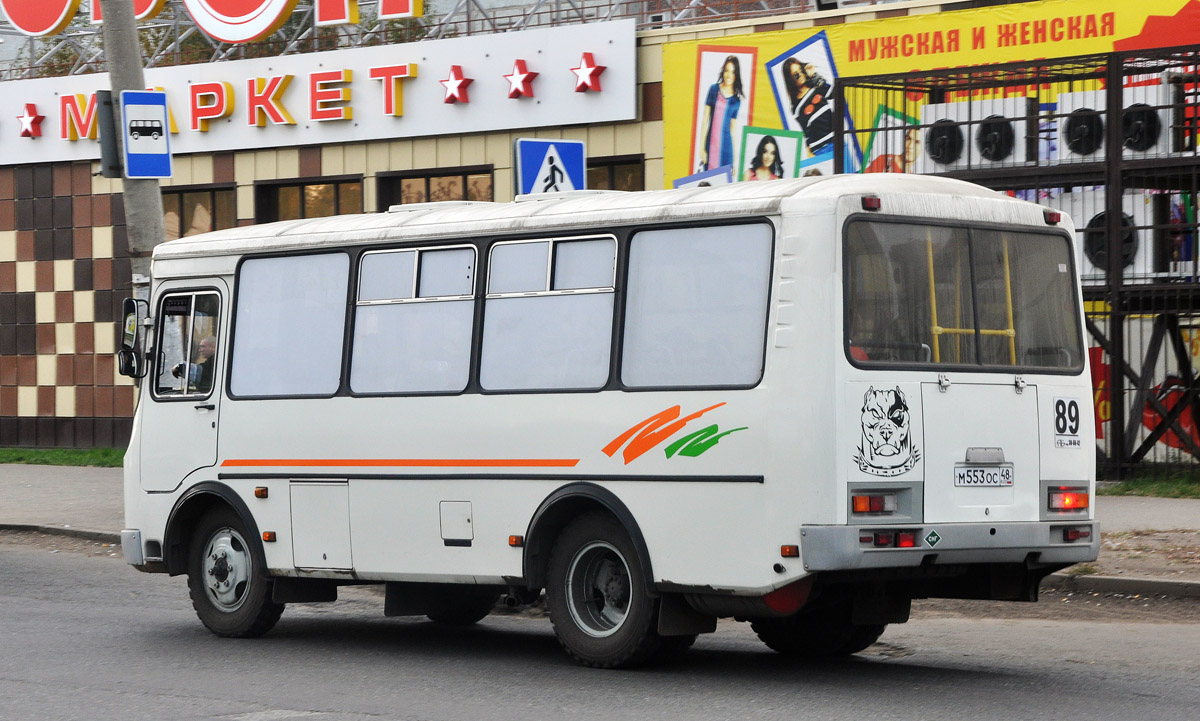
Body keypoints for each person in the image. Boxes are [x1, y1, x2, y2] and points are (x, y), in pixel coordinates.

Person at [698, 55, 744, 172]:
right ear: (723, 71)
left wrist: (734, 162)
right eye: (727, 70)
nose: (729, 75)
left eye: (733, 72)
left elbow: (733, 132)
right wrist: (702, 148)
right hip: (710, 145)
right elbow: (705, 120)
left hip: (726, 150)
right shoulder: (713, 89)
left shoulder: (736, 101)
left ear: (736, 75)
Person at [782, 57, 834, 155]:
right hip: (820, 148)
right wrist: (809, 150)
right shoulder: (796, 106)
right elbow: (806, 131)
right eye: (795, 75)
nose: (800, 75)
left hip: (837, 140)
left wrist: (814, 75)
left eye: (801, 70)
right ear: (790, 80)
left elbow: (834, 94)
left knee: (847, 170)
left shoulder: (816, 86)